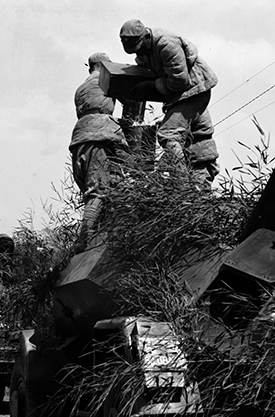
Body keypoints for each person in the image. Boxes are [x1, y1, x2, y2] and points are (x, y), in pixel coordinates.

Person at [119, 19, 220, 189]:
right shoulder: (145, 51)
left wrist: (152, 86)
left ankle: (182, 186)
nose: (138, 54)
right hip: (182, 95)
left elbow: (180, 80)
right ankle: (199, 188)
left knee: (168, 134)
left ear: (146, 37)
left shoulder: (166, 44)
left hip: (194, 90)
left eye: (139, 48)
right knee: (199, 135)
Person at [69, 52, 129, 249]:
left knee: (93, 193)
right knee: (99, 193)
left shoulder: (80, 89)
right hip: (100, 135)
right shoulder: (105, 80)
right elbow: (131, 103)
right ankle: (85, 240)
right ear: (104, 66)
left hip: (79, 139)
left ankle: (96, 237)